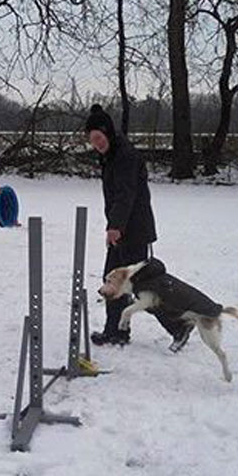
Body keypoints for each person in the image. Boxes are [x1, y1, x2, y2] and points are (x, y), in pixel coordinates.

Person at [85, 104, 157, 346]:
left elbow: (126, 194)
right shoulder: (111, 155)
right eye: (92, 140)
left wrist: (115, 227)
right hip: (123, 228)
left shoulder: (125, 156)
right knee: (114, 281)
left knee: (141, 286)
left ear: (107, 133)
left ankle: (179, 323)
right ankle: (115, 331)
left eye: (98, 138)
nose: (96, 144)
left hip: (133, 230)